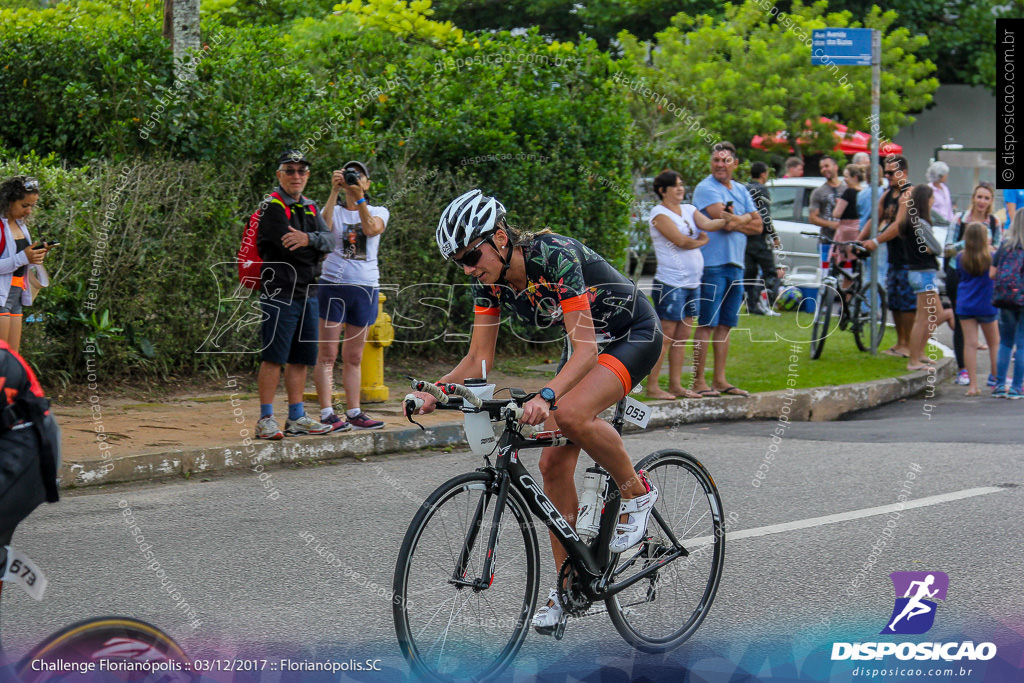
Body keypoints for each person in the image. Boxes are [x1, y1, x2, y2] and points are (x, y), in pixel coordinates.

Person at [411, 189, 663, 634]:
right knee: (550, 466)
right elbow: (478, 358)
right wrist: (437, 390)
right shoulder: (487, 282)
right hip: (587, 347)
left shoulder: (554, 256)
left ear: (501, 239)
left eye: (472, 255)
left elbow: (585, 349)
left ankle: (636, 492)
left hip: (632, 335)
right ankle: (568, 586)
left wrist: (546, 396)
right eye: (460, 263)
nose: (469, 268)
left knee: (570, 415)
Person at [254, 150, 337, 440]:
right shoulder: (272, 207)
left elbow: (330, 240)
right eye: (290, 170)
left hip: (308, 293)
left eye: (301, 171)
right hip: (279, 292)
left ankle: (296, 417)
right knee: (273, 357)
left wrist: (308, 239)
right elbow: (286, 248)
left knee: (302, 358)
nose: (296, 176)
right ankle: (265, 418)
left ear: (308, 175)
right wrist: (314, 246)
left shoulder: (311, 207)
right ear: (279, 175)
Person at [313, 161, 389, 431]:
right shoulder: (334, 208)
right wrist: (334, 193)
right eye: (348, 175)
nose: (353, 179)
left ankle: (355, 412)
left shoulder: (379, 210)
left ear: (367, 183)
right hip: (332, 285)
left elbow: (371, 229)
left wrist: (360, 200)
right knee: (328, 353)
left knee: (354, 356)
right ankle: (326, 413)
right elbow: (322, 230)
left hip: (365, 288)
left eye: (359, 176)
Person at [645, 170, 733, 399]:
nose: (680, 188)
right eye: (675, 186)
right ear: (663, 191)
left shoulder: (689, 209)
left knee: (683, 335)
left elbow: (709, 224)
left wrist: (724, 219)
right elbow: (680, 240)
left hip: (693, 283)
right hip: (670, 282)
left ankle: (675, 386)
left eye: (682, 184)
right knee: (666, 337)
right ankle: (653, 386)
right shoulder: (658, 213)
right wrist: (701, 240)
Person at [691, 141, 763, 398]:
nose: (720, 165)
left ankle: (720, 380)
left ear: (735, 164)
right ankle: (698, 381)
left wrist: (740, 219)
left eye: (725, 161)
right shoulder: (705, 188)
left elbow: (758, 227)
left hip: (736, 265)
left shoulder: (741, 189)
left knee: (725, 325)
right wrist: (745, 219)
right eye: (716, 160)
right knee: (707, 324)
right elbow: (723, 222)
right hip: (712, 265)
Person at [944, 183, 999, 386]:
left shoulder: (994, 222)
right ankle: (963, 370)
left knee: (989, 329)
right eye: (979, 197)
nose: (982, 201)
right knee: (962, 325)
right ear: (973, 198)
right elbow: (947, 248)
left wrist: (989, 248)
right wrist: (971, 242)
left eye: (986, 198)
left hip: (986, 276)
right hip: (960, 274)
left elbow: (998, 248)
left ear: (991, 201)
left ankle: (993, 376)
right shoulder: (960, 219)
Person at [861, 155, 914, 358]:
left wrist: (876, 241)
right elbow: (876, 219)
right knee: (895, 302)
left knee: (907, 303)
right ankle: (899, 343)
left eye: (892, 172)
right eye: (887, 172)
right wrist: (859, 240)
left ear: (904, 173)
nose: (888, 176)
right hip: (894, 256)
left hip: (909, 257)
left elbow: (899, 225)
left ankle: (908, 344)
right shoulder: (888, 194)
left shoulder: (909, 193)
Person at [899, 184, 953, 372]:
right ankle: (913, 360)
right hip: (923, 274)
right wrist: (931, 249)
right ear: (924, 201)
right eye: (931, 198)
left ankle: (920, 353)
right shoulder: (921, 224)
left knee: (935, 315)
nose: (933, 201)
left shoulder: (910, 223)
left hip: (920, 273)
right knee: (922, 318)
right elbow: (937, 248)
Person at [0, 177, 52, 353]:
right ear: (8, 201)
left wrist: (35, 255)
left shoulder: (21, 226)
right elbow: (17, 260)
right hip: (1, 298)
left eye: (32, 206)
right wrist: (23, 257)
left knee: (12, 359)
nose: (29, 211)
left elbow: (22, 263)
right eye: (24, 206)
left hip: (15, 297)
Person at [954, 222, 999, 396]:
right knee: (994, 343)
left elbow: (958, 275)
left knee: (970, 344)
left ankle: (973, 385)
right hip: (987, 304)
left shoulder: (960, 257)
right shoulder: (991, 256)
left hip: (965, 304)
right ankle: (995, 379)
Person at [991, 211, 1024, 398]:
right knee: (1022, 345)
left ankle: (999, 385)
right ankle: (1017, 388)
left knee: (1004, 343)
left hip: (1005, 300)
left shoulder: (1004, 247)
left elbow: (991, 274)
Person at [743, 161, 780, 315]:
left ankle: (751, 305)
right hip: (759, 237)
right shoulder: (761, 190)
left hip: (745, 235)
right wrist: (774, 236)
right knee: (770, 272)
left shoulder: (744, 188)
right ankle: (762, 300)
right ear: (764, 174)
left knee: (749, 273)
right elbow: (764, 215)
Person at [830, 163, 864, 262]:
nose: (844, 179)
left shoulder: (848, 192)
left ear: (855, 177)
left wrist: (837, 204)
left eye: (846, 177)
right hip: (860, 231)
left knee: (844, 263)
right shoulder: (864, 193)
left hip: (846, 233)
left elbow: (836, 214)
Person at [927, 161, 954, 225]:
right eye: (945, 174)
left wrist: (952, 221)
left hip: (947, 223)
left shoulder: (945, 188)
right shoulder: (929, 189)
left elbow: (949, 208)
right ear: (939, 175)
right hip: (936, 224)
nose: (947, 176)